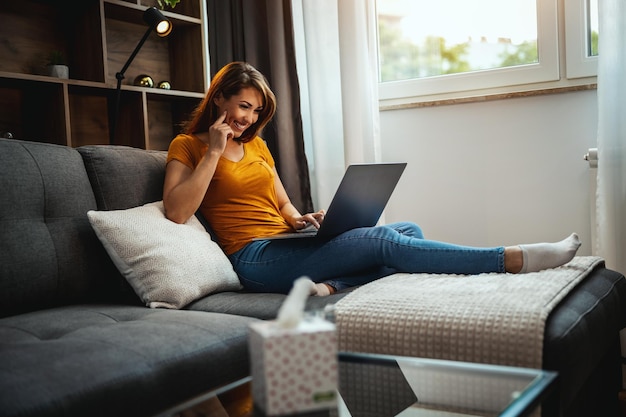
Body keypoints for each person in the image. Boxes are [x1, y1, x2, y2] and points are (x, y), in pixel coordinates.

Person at [163, 61, 581, 296]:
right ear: (218, 97)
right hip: (253, 260)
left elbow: (282, 204)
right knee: (383, 242)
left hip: (286, 243)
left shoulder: (257, 146)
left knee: (408, 230)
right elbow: (178, 212)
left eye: (256, 111)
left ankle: (332, 286)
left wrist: (301, 219)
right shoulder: (188, 146)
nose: (248, 118)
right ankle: (508, 259)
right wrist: (214, 152)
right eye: (242, 106)